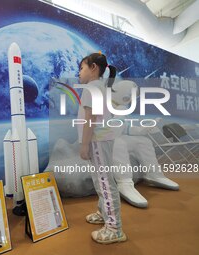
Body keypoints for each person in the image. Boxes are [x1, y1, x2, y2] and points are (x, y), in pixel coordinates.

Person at [77, 52, 127, 244]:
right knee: (101, 179)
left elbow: (91, 119)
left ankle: (114, 228)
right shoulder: (100, 87)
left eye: (82, 68)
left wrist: (84, 145)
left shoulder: (92, 88)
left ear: (94, 68)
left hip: (97, 141)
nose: (79, 72)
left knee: (105, 181)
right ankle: (103, 212)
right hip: (102, 139)